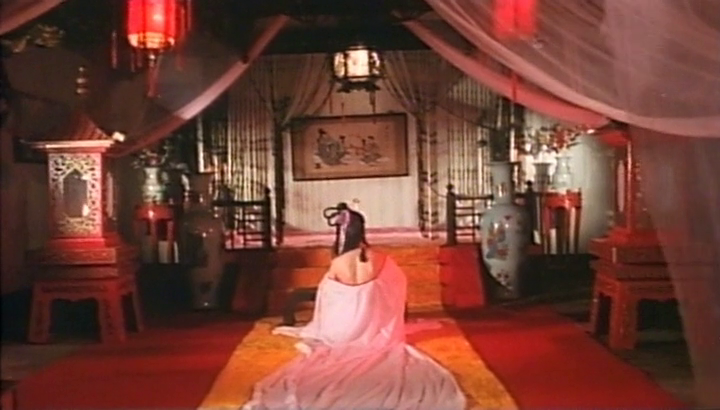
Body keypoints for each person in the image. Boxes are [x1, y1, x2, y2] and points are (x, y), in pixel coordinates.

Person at [242, 206, 466, 410]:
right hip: (374, 328)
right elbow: (398, 284)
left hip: (342, 331)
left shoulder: (338, 263)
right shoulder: (381, 258)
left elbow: (327, 297)